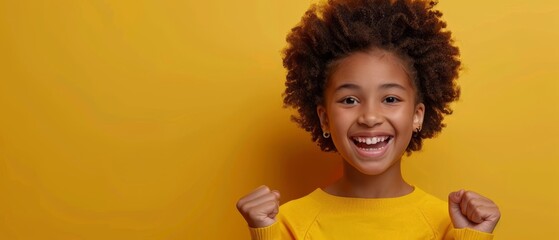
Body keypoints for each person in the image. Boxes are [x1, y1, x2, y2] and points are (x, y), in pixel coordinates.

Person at [236, 0, 501, 239]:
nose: (370, 117)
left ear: (417, 116)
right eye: (350, 100)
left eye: (390, 99)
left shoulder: (451, 225)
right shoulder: (287, 224)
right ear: (325, 119)